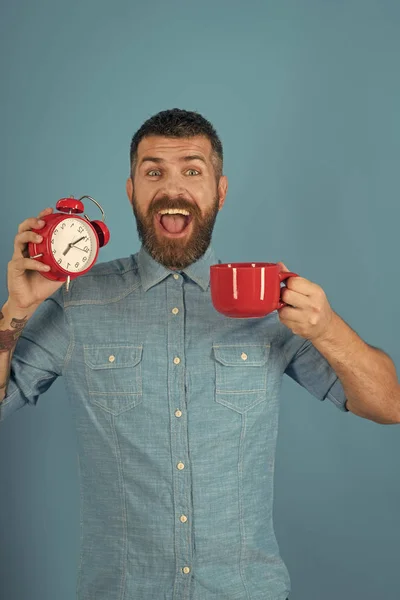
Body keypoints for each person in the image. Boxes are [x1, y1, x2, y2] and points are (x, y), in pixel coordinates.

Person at [0, 108, 398, 600]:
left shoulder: (269, 299)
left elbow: (389, 406)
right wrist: (14, 310)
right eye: (153, 172)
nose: (172, 188)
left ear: (220, 191)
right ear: (131, 192)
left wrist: (328, 327)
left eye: (192, 170)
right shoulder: (78, 301)